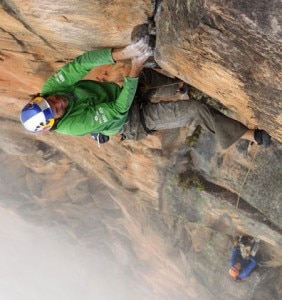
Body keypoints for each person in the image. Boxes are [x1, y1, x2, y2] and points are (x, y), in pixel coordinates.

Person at [20, 36, 272, 149]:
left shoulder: (51, 89)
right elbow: (118, 110)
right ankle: (249, 136)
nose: (57, 101)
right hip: (129, 123)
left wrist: (125, 54)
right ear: (54, 122)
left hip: (120, 96)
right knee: (196, 110)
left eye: (49, 99)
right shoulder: (72, 126)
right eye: (55, 109)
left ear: (39, 97)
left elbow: (81, 64)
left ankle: (181, 88)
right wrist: (135, 65)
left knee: (146, 75)